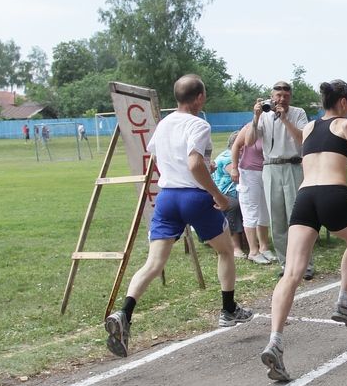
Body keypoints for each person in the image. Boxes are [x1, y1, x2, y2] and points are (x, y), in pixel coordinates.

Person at [104, 75, 252, 358]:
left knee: (154, 262)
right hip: (194, 196)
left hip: (167, 197)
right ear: (199, 98)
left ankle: (125, 313)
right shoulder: (199, 124)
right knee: (225, 252)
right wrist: (217, 196)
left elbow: (159, 156)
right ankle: (229, 309)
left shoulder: (163, 124)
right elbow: (195, 163)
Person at [260, 80, 347, 382]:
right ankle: (344, 301)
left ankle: (275, 340)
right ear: (343, 102)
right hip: (333, 194)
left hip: (305, 197)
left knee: (292, 272)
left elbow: (304, 142)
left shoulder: (309, 127)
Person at [247, 80, 314, 280]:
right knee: (277, 220)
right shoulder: (263, 115)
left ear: (290, 97)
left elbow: (302, 138)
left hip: (293, 165)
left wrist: (284, 119)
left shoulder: (298, 112)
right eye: (278, 96)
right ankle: (286, 263)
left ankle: (306, 264)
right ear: (271, 96)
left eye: (285, 96)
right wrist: (255, 116)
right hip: (270, 167)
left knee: (298, 218)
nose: (281, 99)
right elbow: (250, 141)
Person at [230, 121, 275, 265]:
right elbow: (236, 146)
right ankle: (253, 251)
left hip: (266, 171)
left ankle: (264, 247)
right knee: (251, 210)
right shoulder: (250, 126)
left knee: (264, 210)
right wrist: (234, 168)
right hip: (248, 172)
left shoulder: (272, 126)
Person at [212, 131, 247, 258]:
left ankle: (247, 239)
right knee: (234, 205)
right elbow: (240, 176)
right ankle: (235, 246)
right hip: (221, 195)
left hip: (235, 193)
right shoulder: (227, 158)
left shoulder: (239, 156)